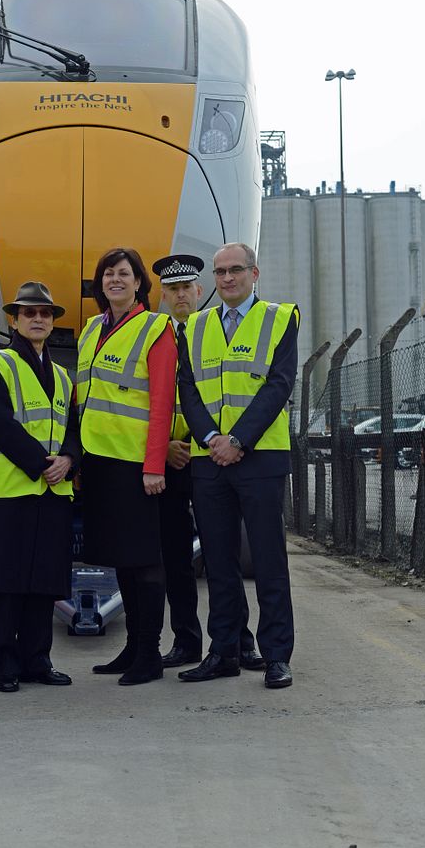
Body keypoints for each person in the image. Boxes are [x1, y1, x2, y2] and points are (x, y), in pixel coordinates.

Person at [177, 242, 299, 689]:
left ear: (254, 273)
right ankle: (224, 651)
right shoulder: (195, 327)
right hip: (210, 460)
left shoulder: (280, 319)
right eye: (220, 272)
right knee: (219, 563)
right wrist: (211, 439)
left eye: (235, 270)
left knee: (268, 560)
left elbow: (279, 384)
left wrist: (238, 440)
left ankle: (276, 656)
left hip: (260, 457)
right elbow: (188, 388)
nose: (227, 279)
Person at [153, 254, 264, 672]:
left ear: (200, 291)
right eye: (172, 289)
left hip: (210, 457)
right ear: (162, 296)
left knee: (223, 556)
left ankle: (240, 640)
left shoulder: (215, 329)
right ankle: (186, 641)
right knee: (176, 558)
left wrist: (205, 440)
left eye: (187, 288)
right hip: (168, 459)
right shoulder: (155, 335)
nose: (181, 295)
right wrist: (165, 445)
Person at [0, 281, 79, 693]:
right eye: (29, 313)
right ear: (13, 320)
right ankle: (7, 666)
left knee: (43, 582)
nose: (38, 319)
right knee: (8, 584)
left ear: (52, 322)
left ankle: (39, 660)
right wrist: (42, 464)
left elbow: (73, 428)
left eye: (45, 313)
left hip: (52, 492)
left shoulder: (64, 377)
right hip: (8, 491)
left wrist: (68, 460)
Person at [78, 246, 176, 685]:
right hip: (99, 463)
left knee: (144, 562)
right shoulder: (90, 330)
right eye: (108, 274)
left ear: (139, 282)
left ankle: (149, 653)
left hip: (136, 466)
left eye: (124, 274)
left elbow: (161, 403)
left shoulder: (156, 329)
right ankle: (133, 647)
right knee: (121, 560)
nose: (115, 280)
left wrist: (154, 464)